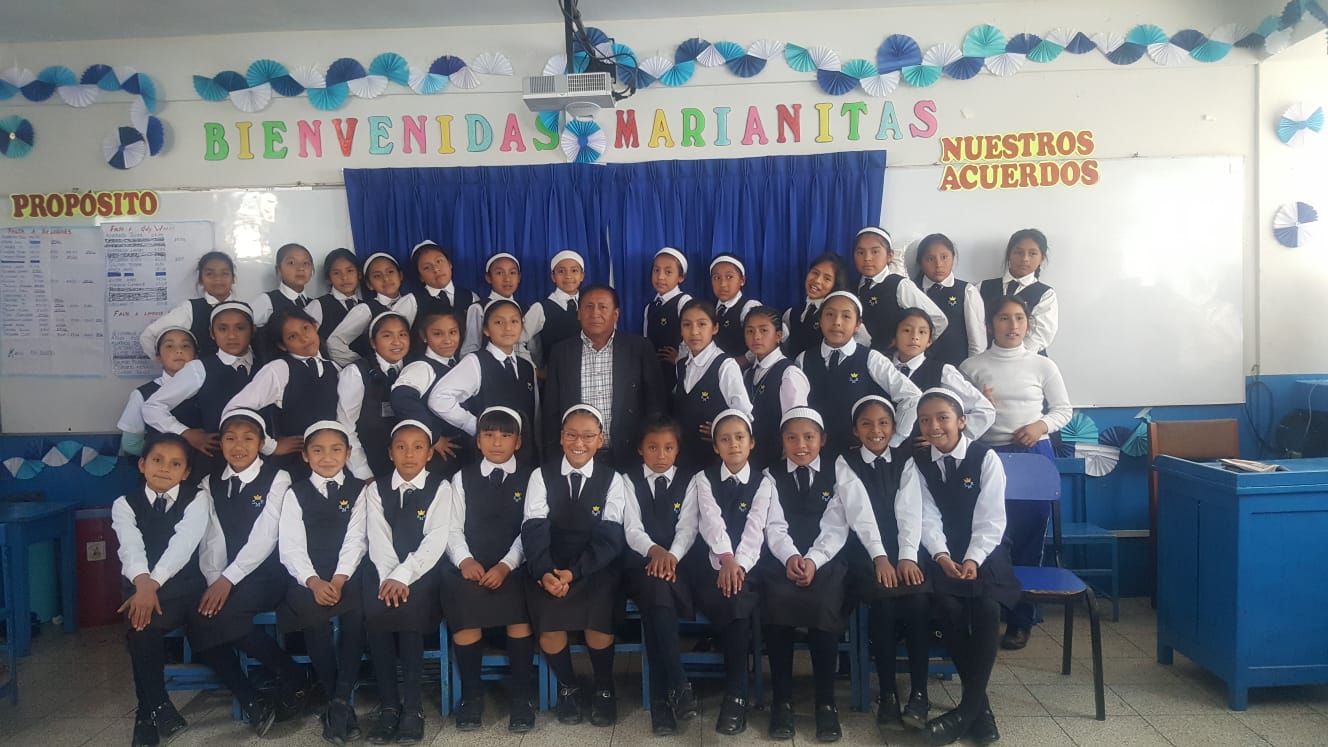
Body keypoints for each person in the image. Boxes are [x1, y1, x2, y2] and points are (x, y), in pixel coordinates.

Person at [898, 389, 1021, 746]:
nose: (933, 426)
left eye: (943, 418)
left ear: (962, 421)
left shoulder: (985, 458)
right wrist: (941, 555)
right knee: (948, 605)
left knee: (987, 606)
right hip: (941, 551)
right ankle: (979, 711)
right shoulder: (917, 463)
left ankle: (965, 712)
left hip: (986, 548)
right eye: (925, 420)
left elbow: (991, 518)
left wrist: (973, 558)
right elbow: (926, 516)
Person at [959, 296, 1072, 651]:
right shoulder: (971, 366)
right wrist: (980, 406)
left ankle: (1021, 620)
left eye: (1019, 318)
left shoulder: (1042, 365)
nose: (1012, 325)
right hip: (988, 456)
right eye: (1004, 318)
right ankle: (986, 614)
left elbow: (1063, 410)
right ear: (990, 325)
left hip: (1033, 456)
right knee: (988, 538)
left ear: (1028, 324)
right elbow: (958, 418)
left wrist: (1040, 426)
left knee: (1028, 540)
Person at [191, 410, 308, 736]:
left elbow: (266, 535)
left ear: (261, 443)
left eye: (248, 438)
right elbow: (210, 537)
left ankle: (285, 674)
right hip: (223, 575)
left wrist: (228, 580)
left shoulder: (278, 478)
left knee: (219, 616)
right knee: (199, 619)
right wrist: (215, 580)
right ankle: (254, 697)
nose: (238, 446)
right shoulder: (210, 483)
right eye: (230, 438)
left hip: (267, 573)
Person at [521, 405, 626, 727]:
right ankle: (568, 686)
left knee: (599, 619)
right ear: (561, 437)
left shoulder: (613, 479)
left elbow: (611, 535)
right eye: (572, 435)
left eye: (588, 436)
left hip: (595, 565)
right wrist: (545, 571)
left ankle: (604, 688)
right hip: (550, 566)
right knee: (549, 620)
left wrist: (576, 571)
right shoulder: (540, 476)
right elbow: (534, 527)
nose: (579, 443)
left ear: (600, 440)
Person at [837, 396, 932, 731]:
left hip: (906, 547)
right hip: (866, 550)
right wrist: (880, 557)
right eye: (866, 424)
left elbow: (911, 509)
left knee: (918, 602)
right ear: (855, 430)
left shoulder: (906, 459)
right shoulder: (846, 461)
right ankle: (888, 693)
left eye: (883, 423)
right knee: (884, 605)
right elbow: (858, 512)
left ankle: (919, 693)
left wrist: (906, 556)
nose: (875, 430)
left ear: (893, 427)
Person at [758, 407, 853, 742]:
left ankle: (825, 703)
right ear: (781, 441)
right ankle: (782, 701)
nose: (801, 445)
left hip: (826, 559)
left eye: (809, 437)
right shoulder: (770, 475)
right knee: (776, 605)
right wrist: (791, 557)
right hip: (782, 558)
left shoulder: (838, 470)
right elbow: (773, 525)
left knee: (824, 606)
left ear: (822, 440)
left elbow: (837, 524)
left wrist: (813, 559)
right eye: (792, 438)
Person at [675, 409, 771, 736]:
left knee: (738, 598)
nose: (733, 445)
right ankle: (735, 688)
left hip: (748, 565)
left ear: (752, 442)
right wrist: (726, 559)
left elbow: (756, 529)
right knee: (727, 596)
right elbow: (710, 521)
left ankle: (736, 695)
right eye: (725, 439)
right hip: (710, 564)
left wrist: (738, 564)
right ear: (715, 446)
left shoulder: (763, 482)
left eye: (740, 437)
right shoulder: (703, 479)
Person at [444, 406, 539, 733]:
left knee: (519, 612)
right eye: (489, 435)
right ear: (478, 441)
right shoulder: (462, 478)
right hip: (470, 566)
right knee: (465, 606)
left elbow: (531, 528)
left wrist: (506, 565)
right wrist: (465, 560)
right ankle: (471, 696)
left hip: (514, 566)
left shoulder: (531, 477)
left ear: (518, 442)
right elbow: (452, 528)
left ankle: (522, 698)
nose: (497, 442)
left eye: (506, 435)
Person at [111, 434, 210, 747]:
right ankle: (157, 708)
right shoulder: (125, 504)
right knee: (141, 628)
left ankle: (147, 713)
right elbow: (131, 548)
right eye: (157, 460)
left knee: (140, 622)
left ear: (186, 472)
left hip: (182, 587)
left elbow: (183, 544)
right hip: (141, 586)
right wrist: (143, 584)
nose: (165, 468)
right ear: (142, 464)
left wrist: (151, 585)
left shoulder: (197, 498)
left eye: (175, 464)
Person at [361, 420, 452, 745]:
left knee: (409, 613)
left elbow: (436, 539)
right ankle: (389, 706)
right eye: (401, 447)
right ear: (390, 453)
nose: (409, 454)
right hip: (381, 571)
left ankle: (413, 707)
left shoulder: (441, 487)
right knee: (377, 613)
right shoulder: (375, 489)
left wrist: (404, 575)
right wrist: (390, 577)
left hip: (422, 572)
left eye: (417, 447)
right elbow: (377, 536)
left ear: (429, 454)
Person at [277, 421, 368, 745]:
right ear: (305, 455)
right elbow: (290, 546)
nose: (327, 457)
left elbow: (357, 540)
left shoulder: (360, 490)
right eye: (318, 450)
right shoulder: (295, 493)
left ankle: (338, 702)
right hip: (306, 575)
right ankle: (338, 701)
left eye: (335, 449)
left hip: (348, 573)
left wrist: (339, 579)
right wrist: (314, 582)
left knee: (356, 616)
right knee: (314, 618)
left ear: (348, 453)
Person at [619, 416, 699, 736]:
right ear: (641, 449)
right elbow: (632, 528)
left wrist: (671, 556)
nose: (661, 455)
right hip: (641, 563)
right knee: (655, 588)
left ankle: (662, 702)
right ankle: (678, 683)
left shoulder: (690, 480)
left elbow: (688, 528)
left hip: (679, 565)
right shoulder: (628, 480)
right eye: (653, 447)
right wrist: (655, 552)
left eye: (668, 448)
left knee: (657, 597)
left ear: (678, 450)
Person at [542, 284, 666, 467]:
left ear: (616, 314)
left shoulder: (639, 348)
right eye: (588, 307)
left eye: (603, 307)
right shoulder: (561, 352)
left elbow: (655, 405)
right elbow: (551, 410)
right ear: (578, 313)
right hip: (576, 457)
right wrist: (553, 458)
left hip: (630, 456)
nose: (595, 313)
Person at [795, 291, 920, 458]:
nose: (837, 322)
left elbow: (912, 397)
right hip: (816, 456)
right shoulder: (803, 359)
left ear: (857, 324)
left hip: (859, 457)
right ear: (820, 319)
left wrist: (894, 440)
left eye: (846, 316)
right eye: (830, 314)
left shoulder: (871, 359)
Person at [142, 302, 257, 478]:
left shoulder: (267, 366)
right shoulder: (199, 368)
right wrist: (185, 433)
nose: (232, 335)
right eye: (223, 329)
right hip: (215, 464)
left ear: (252, 330)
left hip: (261, 462)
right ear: (212, 333)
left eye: (240, 328)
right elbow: (152, 407)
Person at [226, 308, 339, 476]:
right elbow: (235, 408)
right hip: (293, 465)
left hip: (330, 463)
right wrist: (270, 446)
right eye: (292, 337)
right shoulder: (279, 369)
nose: (304, 338)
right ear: (282, 345)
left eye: (306, 328)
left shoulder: (334, 368)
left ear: (315, 326)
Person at [429, 299, 539, 462]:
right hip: (485, 456)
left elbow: (534, 414)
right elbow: (438, 399)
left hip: (521, 456)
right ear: (486, 330)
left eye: (514, 321)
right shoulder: (475, 361)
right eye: (498, 322)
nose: (508, 328)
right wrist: (475, 426)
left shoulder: (526, 366)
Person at [671, 299, 754, 470]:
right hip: (685, 457)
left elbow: (744, 413)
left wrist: (721, 431)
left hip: (715, 461)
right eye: (687, 325)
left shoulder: (725, 366)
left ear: (715, 328)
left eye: (702, 324)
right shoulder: (681, 365)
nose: (694, 331)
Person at [892, 309, 995, 440]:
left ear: (929, 341)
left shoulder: (943, 372)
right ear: (894, 337)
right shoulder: (881, 368)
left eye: (922, 332)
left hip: (926, 450)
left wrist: (949, 438)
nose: (914, 337)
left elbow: (985, 410)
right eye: (907, 330)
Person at [391, 311, 469, 474]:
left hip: (460, 455)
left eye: (453, 332)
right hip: (437, 457)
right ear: (424, 336)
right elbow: (402, 399)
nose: (447, 340)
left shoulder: (458, 364)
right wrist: (433, 436)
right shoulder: (422, 367)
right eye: (438, 334)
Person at [851, 226, 948, 353]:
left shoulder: (900, 285)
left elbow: (938, 319)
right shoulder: (852, 286)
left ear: (889, 255)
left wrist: (911, 347)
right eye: (860, 252)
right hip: (859, 357)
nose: (867, 258)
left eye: (875, 252)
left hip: (891, 359)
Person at [338, 311, 410, 480]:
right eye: (387, 336)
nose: (397, 342)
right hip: (370, 461)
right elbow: (346, 427)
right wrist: (363, 472)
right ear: (373, 342)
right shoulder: (356, 372)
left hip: (408, 463)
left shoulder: (415, 367)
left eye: (402, 334)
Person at [741, 306, 810, 471]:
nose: (756, 337)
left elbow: (796, 426)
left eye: (764, 330)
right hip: (752, 459)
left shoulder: (789, 374)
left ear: (778, 336)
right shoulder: (747, 374)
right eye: (750, 331)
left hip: (778, 463)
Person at [139, 251, 235, 359]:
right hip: (202, 369)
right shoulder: (190, 309)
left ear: (233, 278)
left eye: (224, 273)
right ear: (201, 280)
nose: (218, 279)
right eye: (210, 274)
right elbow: (148, 336)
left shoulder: (243, 309)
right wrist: (165, 361)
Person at [327, 252, 417, 367]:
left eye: (390, 272)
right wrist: (365, 366)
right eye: (377, 276)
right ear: (369, 284)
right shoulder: (365, 310)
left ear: (400, 275)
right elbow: (334, 342)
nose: (386, 278)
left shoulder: (415, 302)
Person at [978, 229, 1058, 354]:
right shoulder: (981, 287)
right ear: (1009, 255)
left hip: (1029, 360)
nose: (1025, 258)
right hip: (987, 357)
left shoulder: (1046, 294)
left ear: (1041, 258)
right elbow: (975, 327)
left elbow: (1040, 336)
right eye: (1019, 252)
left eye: (1032, 253)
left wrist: (1010, 357)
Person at [120, 327, 197, 456]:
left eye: (185, 346)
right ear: (158, 357)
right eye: (169, 346)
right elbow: (131, 444)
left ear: (196, 356)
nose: (179, 351)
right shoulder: (142, 394)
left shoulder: (208, 388)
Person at [914, 234, 986, 366]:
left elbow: (977, 341)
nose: (938, 264)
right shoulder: (912, 289)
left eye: (944, 257)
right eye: (930, 259)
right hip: (918, 367)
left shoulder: (966, 291)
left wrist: (970, 371)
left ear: (953, 258)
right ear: (920, 262)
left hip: (956, 368)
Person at [250, 242, 316, 363]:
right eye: (291, 263)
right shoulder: (267, 300)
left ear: (312, 270)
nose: (300, 268)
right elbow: (243, 328)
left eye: (306, 263)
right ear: (278, 270)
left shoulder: (315, 304)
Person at [409, 241, 478, 352]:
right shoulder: (411, 301)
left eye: (439, 261)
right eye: (427, 267)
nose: (436, 269)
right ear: (420, 276)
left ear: (450, 264)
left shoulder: (470, 297)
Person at [524, 250, 585, 370]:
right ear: (553, 276)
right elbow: (518, 340)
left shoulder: (589, 305)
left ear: (582, 276)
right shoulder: (540, 308)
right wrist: (533, 369)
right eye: (561, 271)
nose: (568, 276)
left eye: (574, 271)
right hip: (555, 374)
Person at [644, 247, 693, 392]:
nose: (660, 277)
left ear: (681, 277)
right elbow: (646, 340)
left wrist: (680, 358)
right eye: (656, 270)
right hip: (655, 372)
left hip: (678, 372)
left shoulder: (684, 302)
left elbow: (693, 335)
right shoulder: (650, 307)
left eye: (668, 272)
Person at [783, 253, 849, 360]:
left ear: (835, 285)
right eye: (815, 273)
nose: (817, 280)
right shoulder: (791, 313)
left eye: (827, 279)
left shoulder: (838, 317)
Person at [466, 252, 524, 358]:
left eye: (512, 273)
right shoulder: (479, 308)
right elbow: (471, 347)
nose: (507, 279)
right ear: (488, 277)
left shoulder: (526, 308)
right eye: (499, 273)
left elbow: (534, 347)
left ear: (519, 277)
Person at [709, 254, 760, 358]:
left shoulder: (749, 307)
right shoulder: (709, 308)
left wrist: (744, 360)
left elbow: (765, 340)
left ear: (742, 280)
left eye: (729, 277)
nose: (723, 284)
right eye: (716, 278)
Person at [310, 248, 363, 342]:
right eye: (336, 273)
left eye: (349, 271)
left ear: (359, 274)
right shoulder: (319, 305)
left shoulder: (366, 306)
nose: (344, 277)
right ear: (328, 278)